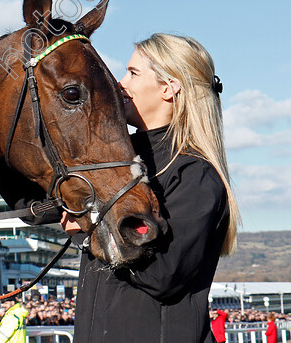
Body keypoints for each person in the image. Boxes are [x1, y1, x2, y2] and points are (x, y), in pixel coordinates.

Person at [64, 33, 240, 343]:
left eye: (132, 73)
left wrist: (89, 224)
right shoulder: (112, 164)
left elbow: (163, 274)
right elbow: (33, 206)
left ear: (169, 88)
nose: (120, 82)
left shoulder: (194, 174)